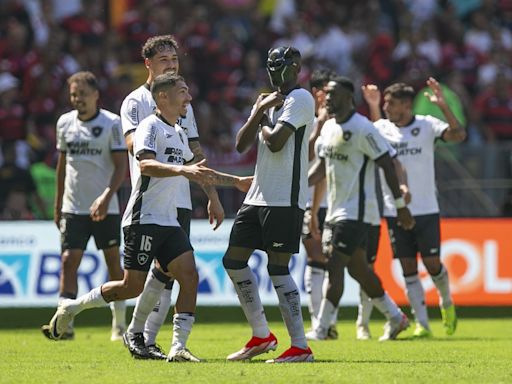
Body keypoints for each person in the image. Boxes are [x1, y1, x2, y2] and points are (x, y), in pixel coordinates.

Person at [45, 73, 251, 362]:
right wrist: (182, 171)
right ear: (163, 97)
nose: (189, 99)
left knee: (189, 277)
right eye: (183, 92)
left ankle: (179, 347)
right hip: (143, 219)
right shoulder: (149, 127)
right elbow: (146, 164)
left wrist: (236, 181)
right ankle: (72, 308)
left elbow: (198, 169)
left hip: (168, 221)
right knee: (131, 287)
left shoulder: (179, 132)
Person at [120, 35, 225, 359]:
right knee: (143, 278)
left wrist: (211, 193)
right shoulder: (135, 102)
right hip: (149, 197)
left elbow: (194, 152)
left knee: (169, 274)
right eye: (165, 59)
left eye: (174, 59)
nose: (171, 64)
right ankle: (138, 334)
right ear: (148, 64)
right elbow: (133, 146)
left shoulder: (182, 102)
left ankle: (148, 340)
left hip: (178, 198)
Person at [306, 75, 415, 342]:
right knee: (358, 269)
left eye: (332, 95)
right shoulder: (329, 127)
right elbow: (321, 166)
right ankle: (395, 317)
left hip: (358, 211)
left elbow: (388, 164)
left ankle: (322, 327)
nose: (327, 99)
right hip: (335, 210)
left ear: (348, 98)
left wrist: (400, 206)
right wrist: (298, 187)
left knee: (334, 263)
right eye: (326, 95)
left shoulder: (364, 128)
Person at [222, 46, 314, 364]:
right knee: (233, 261)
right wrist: (258, 110)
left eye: (283, 65)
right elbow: (240, 144)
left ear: (297, 67)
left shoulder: (300, 99)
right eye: (273, 65)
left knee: (277, 268)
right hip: (257, 196)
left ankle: (300, 346)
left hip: (284, 199)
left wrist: (262, 114)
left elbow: (275, 143)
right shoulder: (269, 100)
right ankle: (262, 335)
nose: (277, 71)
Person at [362, 78, 465, 337]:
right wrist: (373, 105)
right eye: (384, 102)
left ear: (407, 105)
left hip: (426, 207)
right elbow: (373, 135)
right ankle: (423, 324)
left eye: (391, 103)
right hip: (394, 209)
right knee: (407, 267)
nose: (386, 107)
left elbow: (458, 135)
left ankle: (446, 300)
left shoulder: (426, 125)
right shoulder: (383, 128)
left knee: (432, 264)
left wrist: (444, 107)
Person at [40, 71, 127, 341]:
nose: (78, 99)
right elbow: (62, 166)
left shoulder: (112, 123)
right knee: (68, 261)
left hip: (105, 207)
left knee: (113, 262)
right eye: (74, 94)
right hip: (73, 207)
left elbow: (121, 167)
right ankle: (64, 325)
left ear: (96, 95)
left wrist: (106, 196)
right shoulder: (64, 123)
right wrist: (57, 205)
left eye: (83, 94)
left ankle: (119, 323)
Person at [301, 69, 338, 339]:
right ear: (317, 93)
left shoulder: (342, 124)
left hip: (338, 202)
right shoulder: (306, 121)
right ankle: (319, 323)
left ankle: (327, 323)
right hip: (309, 200)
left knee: (333, 262)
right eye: (329, 91)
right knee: (315, 257)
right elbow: (308, 156)